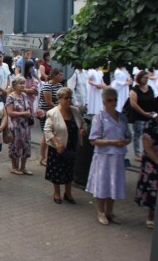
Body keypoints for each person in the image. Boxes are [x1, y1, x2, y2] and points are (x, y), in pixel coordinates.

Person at [86, 87, 131, 225]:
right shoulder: (98, 118)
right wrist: (112, 142)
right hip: (104, 156)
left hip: (118, 156)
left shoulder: (122, 117)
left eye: (115, 99)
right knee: (103, 183)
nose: (113, 102)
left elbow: (128, 136)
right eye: (110, 100)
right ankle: (100, 211)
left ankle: (110, 211)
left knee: (114, 183)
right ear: (104, 101)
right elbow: (93, 140)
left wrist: (125, 141)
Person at [44, 87, 87, 204]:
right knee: (57, 171)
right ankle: (56, 193)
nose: (69, 101)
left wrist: (83, 129)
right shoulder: (52, 113)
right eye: (66, 98)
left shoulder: (75, 111)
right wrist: (57, 143)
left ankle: (68, 193)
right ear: (59, 99)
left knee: (69, 170)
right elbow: (47, 130)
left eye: (70, 98)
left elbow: (83, 123)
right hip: (57, 147)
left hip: (72, 145)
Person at [6, 76, 33, 175]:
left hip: (25, 125)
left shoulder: (24, 95)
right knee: (15, 145)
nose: (22, 85)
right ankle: (14, 167)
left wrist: (29, 112)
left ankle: (23, 167)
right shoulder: (10, 97)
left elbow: (28, 107)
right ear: (14, 86)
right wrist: (23, 114)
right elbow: (10, 112)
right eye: (20, 83)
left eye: (23, 83)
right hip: (15, 126)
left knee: (26, 144)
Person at [135, 115, 158, 229]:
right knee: (152, 189)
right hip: (152, 162)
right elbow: (147, 147)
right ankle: (151, 215)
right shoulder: (151, 124)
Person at [37, 68, 64, 166]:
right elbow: (48, 102)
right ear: (54, 76)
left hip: (55, 113)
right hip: (46, 113)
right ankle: (42, 157)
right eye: (60, 74)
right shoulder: (47, 86)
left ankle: (49, 157)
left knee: (53, 135)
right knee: (46, 135)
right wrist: (59, 110)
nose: (62, 76)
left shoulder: (60, 86)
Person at [129, 71, 156, 162]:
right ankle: (138, 153)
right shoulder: (135, 90)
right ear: (140, 78)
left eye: (147, 78)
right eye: (144, 78)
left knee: (149, 135)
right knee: (138, 134)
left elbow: (153, 100)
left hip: (150, 116)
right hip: (139, 116)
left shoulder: (150, 88)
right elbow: (133, 104)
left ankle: (148, 151)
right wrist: (144, 113)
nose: (146, 79)